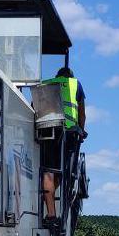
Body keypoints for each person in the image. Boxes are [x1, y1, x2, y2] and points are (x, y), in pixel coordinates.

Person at [40, 66, 86, 224]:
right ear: (70, 76)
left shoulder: (46, 83)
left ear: (57, 75)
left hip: (48, 131)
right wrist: (82, 130)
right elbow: (82, 112)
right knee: (63, 171)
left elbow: (36, 106)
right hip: (69, 133)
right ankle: (50, 197)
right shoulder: (75, 84)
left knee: (48, 171)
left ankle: (50, 211)